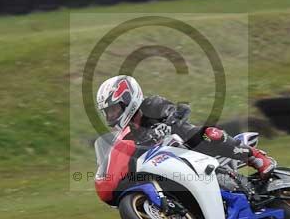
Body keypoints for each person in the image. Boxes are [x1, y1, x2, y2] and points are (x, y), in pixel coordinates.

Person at [95, 74, 277, 178]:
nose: (111, 116)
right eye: (108, 112)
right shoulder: (127, 134)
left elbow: (174, 110)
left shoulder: (152, 104)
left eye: (114, 109)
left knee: (207, 133)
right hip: (165, 166)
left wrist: (170, 121)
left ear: (128, 99)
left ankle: (256, 157)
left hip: (190, 146)